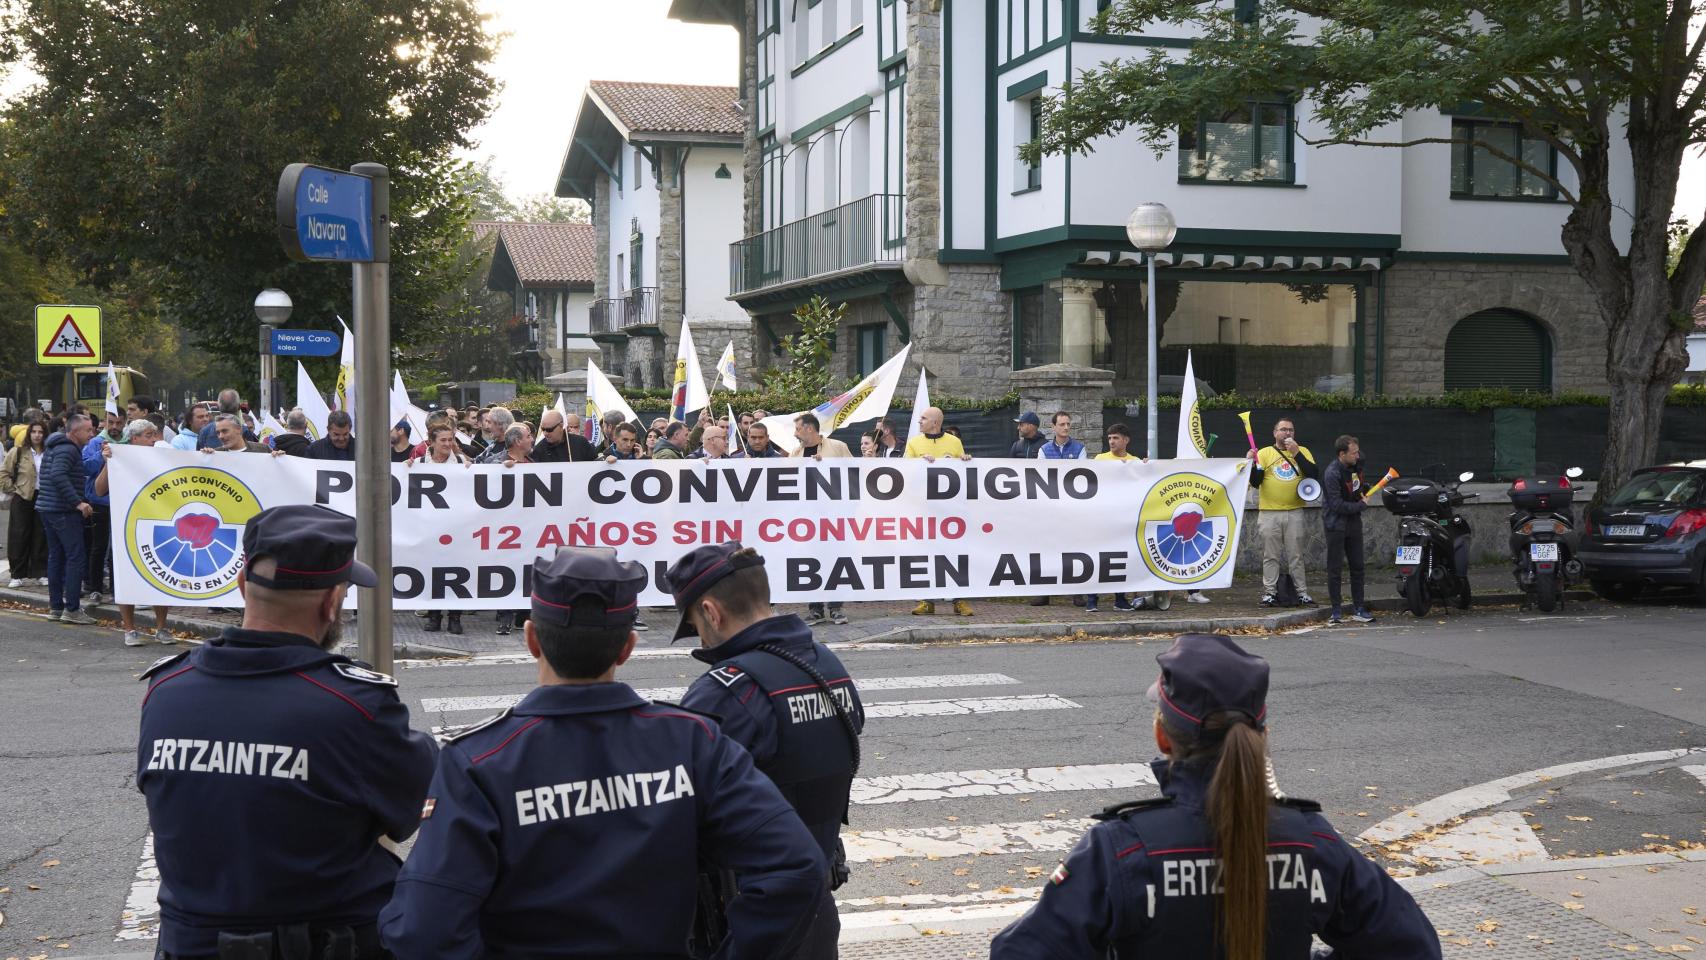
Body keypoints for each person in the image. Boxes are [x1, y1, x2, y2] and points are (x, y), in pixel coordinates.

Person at [379, 546, 826, 960]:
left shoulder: (479, 761)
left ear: (531, 639)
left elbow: (423, 931)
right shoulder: (692, 742)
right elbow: (797, 869)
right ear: (627, 648)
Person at [990, 633, 1441, 960]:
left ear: (1163, 738)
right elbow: (1412, 947)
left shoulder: (1121, 850)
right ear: (1262, 735)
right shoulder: (1313, 843)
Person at [137, 505, 436, 960]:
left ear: (242, 585)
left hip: (191, 946)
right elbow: (408, 810)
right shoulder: (354, 705)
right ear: (331, 601)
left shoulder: (166, 689)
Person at [668, 543, 862, 960]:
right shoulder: (828, 667)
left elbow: (678, 814)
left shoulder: (726, 692)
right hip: (815, 913)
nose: (701, 638)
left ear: (711, 612)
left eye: (695, 624)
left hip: (746, 920)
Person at [94, 420, 175, 646]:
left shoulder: (162, 455)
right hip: (127, 525)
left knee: (161, 572)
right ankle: (130, 629)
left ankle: (161, 628)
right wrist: (109, 462)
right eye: (149, 435)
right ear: (134, 438)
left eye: (155, 434)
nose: (154, 439)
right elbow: (99, 490)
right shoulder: (118, 456)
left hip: (158, 523)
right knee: (125, 574)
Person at [905, 407, 973, 617]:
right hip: (924, 510)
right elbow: (904, 472)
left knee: (954, 555)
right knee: (926, 555)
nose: (919, 421)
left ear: (935, 422)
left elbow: (962, 472)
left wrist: (966, 461)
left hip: (950, 512)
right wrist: (918, 463)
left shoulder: (954, 443)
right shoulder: (914, 443)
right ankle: (927, 600)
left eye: (924, 419)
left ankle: (959, 600)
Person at [790, 414, 852, 625]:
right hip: (806, 519)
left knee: (835, 561)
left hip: (834, 517)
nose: (795, 433)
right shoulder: (795, 453)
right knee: (810, 562)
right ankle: (815, 609)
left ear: (809, 428)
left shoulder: (837, 447)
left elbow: (854, 474)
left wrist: (825, 467)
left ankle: (835, 608)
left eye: (797, 428)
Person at [1251, 418, 1318, 606]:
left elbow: (1313, 474)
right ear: (1275, 433)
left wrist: (1296, 453)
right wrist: (1251, 462)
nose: (1287, 433)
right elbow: (1256, 481)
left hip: (1294, 511)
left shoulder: (1302, 451)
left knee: (1296, 555)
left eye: (1291, 430)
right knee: (1270, 555)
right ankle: (1269, 593)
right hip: (1269, 512)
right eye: (1283, 430)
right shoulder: (1264, 453)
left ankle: (1302, 593)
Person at [37, 413, 97, 624]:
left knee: (57, 557)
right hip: (63, 511)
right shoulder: (68, 449)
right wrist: (77, 502)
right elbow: (58, 474)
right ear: (74, 432)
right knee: (75, 557)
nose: (92, 434)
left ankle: (56, 607)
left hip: (48, 508)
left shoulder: (55, 445)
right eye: (88, 430)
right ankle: (71, 608)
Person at [1322, 434, 1377, 626]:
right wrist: (1361, 506)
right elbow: (1337, 505)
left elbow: (1357, 486)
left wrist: (1364, 488)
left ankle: (1359, 608)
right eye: (1353, 453)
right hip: (1335, 525)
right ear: (1341, 454)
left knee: (1358, 567)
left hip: (1353, 524)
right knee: (1335, 569)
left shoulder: (1357, 464)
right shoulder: (1331, 473)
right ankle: (1336, 611)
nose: (1357, 455)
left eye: (1357, 452)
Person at [2, 421, 50, 587]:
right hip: (22, 497)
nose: (37, 435)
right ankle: (17, 574)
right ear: (29, 434)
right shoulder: (19, 451)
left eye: (40, 432)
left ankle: (40, 572)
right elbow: (4, 473)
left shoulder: (48, 452)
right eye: (34, 432)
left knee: (41, 535)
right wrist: (14, 488)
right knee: (19, 535)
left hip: (43, 497)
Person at [204, 414, 271, 454]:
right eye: (218, 433)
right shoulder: (216, 454)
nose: (220, 436)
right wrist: (205, 457)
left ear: (239, 429)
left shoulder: (263, 450)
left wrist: (279, 457)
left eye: (225, 431)